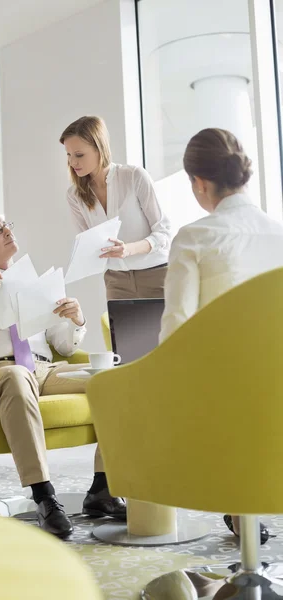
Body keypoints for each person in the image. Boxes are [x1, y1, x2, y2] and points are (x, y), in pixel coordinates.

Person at [0, 204, 126, 539]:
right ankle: (44, 497)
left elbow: (63, 347)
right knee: (17, 377)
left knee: (114, 380)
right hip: (0, 369)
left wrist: (74, 319)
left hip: (45, 368)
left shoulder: (36, 283)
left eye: (6, 225)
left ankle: (103, 489)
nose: (7, 232)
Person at [160, 127, 283, 544]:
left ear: (199, 182)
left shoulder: (195, 238)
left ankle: (235, 507)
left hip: (226, 402)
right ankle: (242, 514)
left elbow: (176, 333)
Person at [60, 116, 172, 300]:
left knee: (168, 330)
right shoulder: (74, 196)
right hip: (116, 282)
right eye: (68, 155)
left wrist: (128, 249)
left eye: (79, 155)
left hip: (156, 275)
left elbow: (164, 232)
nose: (72, 162)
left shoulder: (134, 177)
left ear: (99, 149)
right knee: (122, 331)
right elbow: (88, 245)